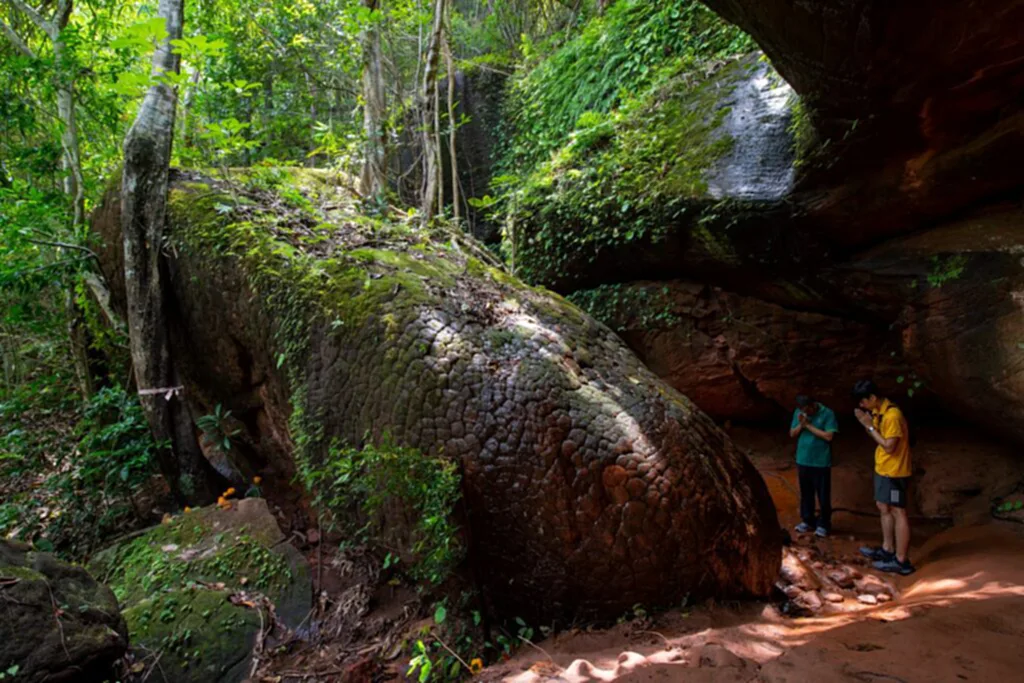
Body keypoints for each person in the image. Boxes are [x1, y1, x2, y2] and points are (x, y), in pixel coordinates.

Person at [853, 379, 915, 575]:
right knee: (883, 507)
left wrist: (869, 427)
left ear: (872, 398)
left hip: (895, 472)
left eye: (863, 402)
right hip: (883, 469)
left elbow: (889, 446)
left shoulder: (892, 416)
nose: (862, 406)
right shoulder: (879, 412)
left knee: (898, 511)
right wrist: (869, 422)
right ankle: (887, 549)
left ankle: (901, 560)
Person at [789, 395, 838, 537]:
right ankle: (807, 520)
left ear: (813, 405)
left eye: (807, 410)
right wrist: (801, 425)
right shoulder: (799, 414)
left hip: (820, 461)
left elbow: (829, 436)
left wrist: (809, 426)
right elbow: (792, 433)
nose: (805, 413)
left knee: (822, 494)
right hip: (803, 459)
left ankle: (824, 524)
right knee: (806, 492)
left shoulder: (827, 413)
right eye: (802, 410)